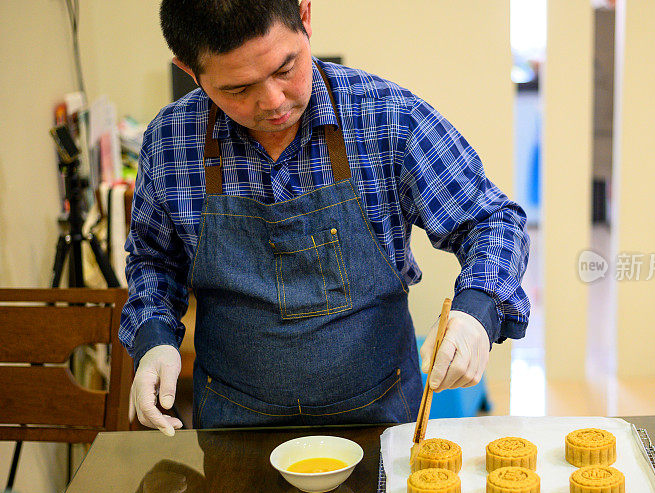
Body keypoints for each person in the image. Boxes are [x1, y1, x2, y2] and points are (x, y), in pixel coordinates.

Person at [122, 0, 530, 435]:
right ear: (189, 70)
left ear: (306, 16)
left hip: (379, 420)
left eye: (285, 69)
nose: (273, 101)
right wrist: (154, 339)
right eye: (238, 90)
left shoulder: (386, 117)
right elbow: (155, 260)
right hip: (233, 431)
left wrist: (475, 312)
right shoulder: (170, 140)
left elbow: (491, 221)